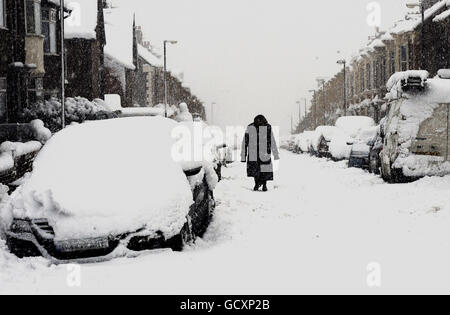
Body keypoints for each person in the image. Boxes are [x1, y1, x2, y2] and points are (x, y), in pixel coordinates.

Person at [241, 115, 280, 192]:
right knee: (263, 169)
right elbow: (272, 140)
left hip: (254, 152)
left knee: (256, 169)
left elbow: (245, 141)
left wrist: (243, 155)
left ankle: (258, 184)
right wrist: (275, 153)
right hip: (263, 151)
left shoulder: (250, 127)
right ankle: (263, 185)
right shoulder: (267, 127)